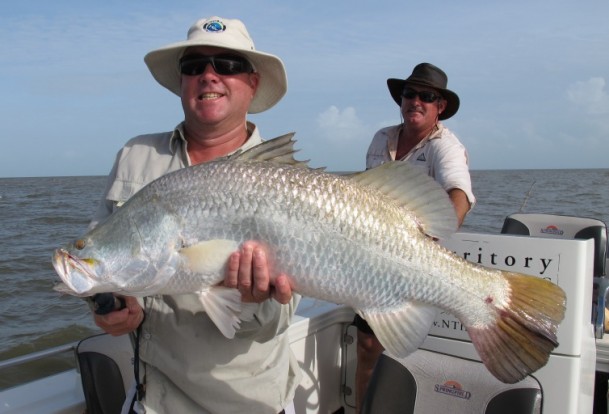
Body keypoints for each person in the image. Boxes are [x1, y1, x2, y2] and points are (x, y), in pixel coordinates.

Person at [89, 16, 301, 414]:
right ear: (182, 82)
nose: (209, 76)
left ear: (253, 83)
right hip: (152, 400)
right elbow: (100, 253)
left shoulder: (286, 183)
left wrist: (252, 300)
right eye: (194, 67)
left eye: (228, 65)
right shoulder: (135, 157)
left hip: (250, 403)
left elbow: (277, 321)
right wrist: (110, 302)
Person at [354, 62, 476, 413]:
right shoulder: (381, 138)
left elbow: (460, 194)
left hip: (416, 259)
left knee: (396, 346)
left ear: (441, 107)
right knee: (366, 342)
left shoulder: (445, 146)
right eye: (410, 93)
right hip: (372, 257)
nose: (416, 101)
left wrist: (426, 248)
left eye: (427, 96)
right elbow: (366, 195)